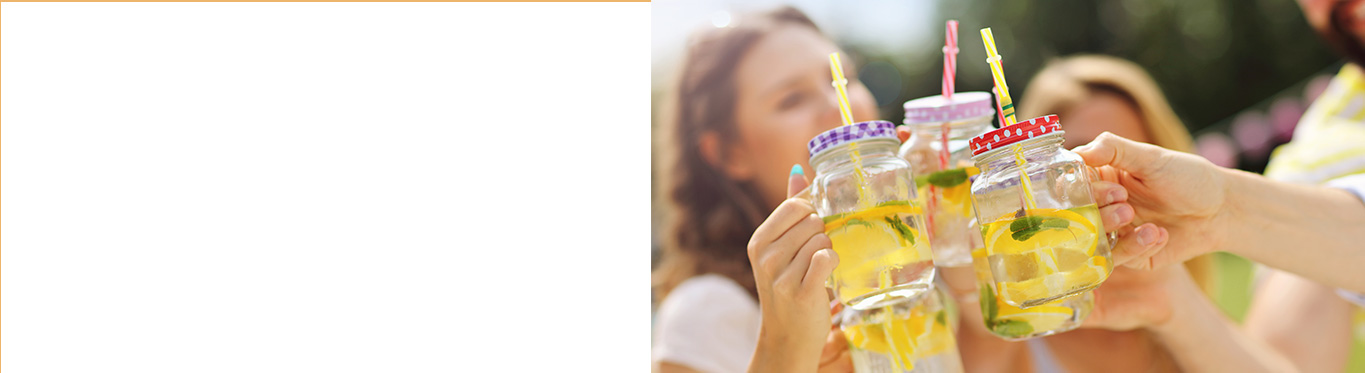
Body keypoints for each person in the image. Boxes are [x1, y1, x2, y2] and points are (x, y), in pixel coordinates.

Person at [651, 6, 877, 372]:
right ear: (729, 153)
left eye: (843, 79)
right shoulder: (707, 313)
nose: (839, 106)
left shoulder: (913, 261)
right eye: (792, 100)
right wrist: (785, 352)